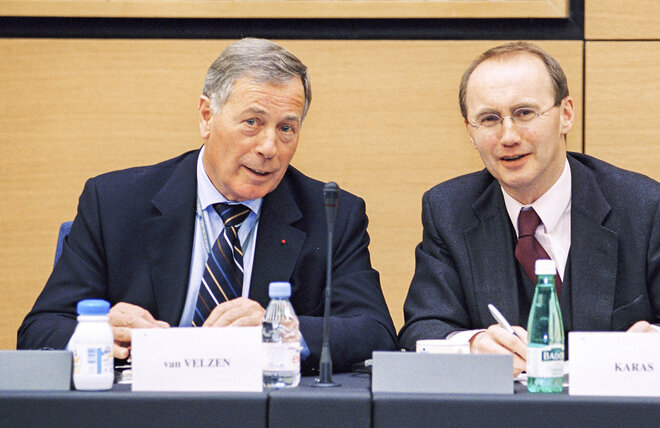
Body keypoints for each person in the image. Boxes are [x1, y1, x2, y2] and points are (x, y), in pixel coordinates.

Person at [18, 38, 397, 373]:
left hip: (268, 419)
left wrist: (284, 330)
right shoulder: (115, 203)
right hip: (138, 415)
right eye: (252, 122)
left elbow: (376, 331)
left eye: (286, 128)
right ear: (206, 117)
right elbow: (40, 330)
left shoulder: (331, 214)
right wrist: (96, 332)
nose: (269, 148)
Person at [398, 42, 660, 371]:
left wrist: (655, 341)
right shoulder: (449, 210)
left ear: (565, 114)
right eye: (489, 119)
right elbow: (420, 331)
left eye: (525, 113)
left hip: (616, 417)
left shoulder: (645, 207)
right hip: (500, 418)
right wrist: (470, 346)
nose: (508, 135)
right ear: (469, 131)